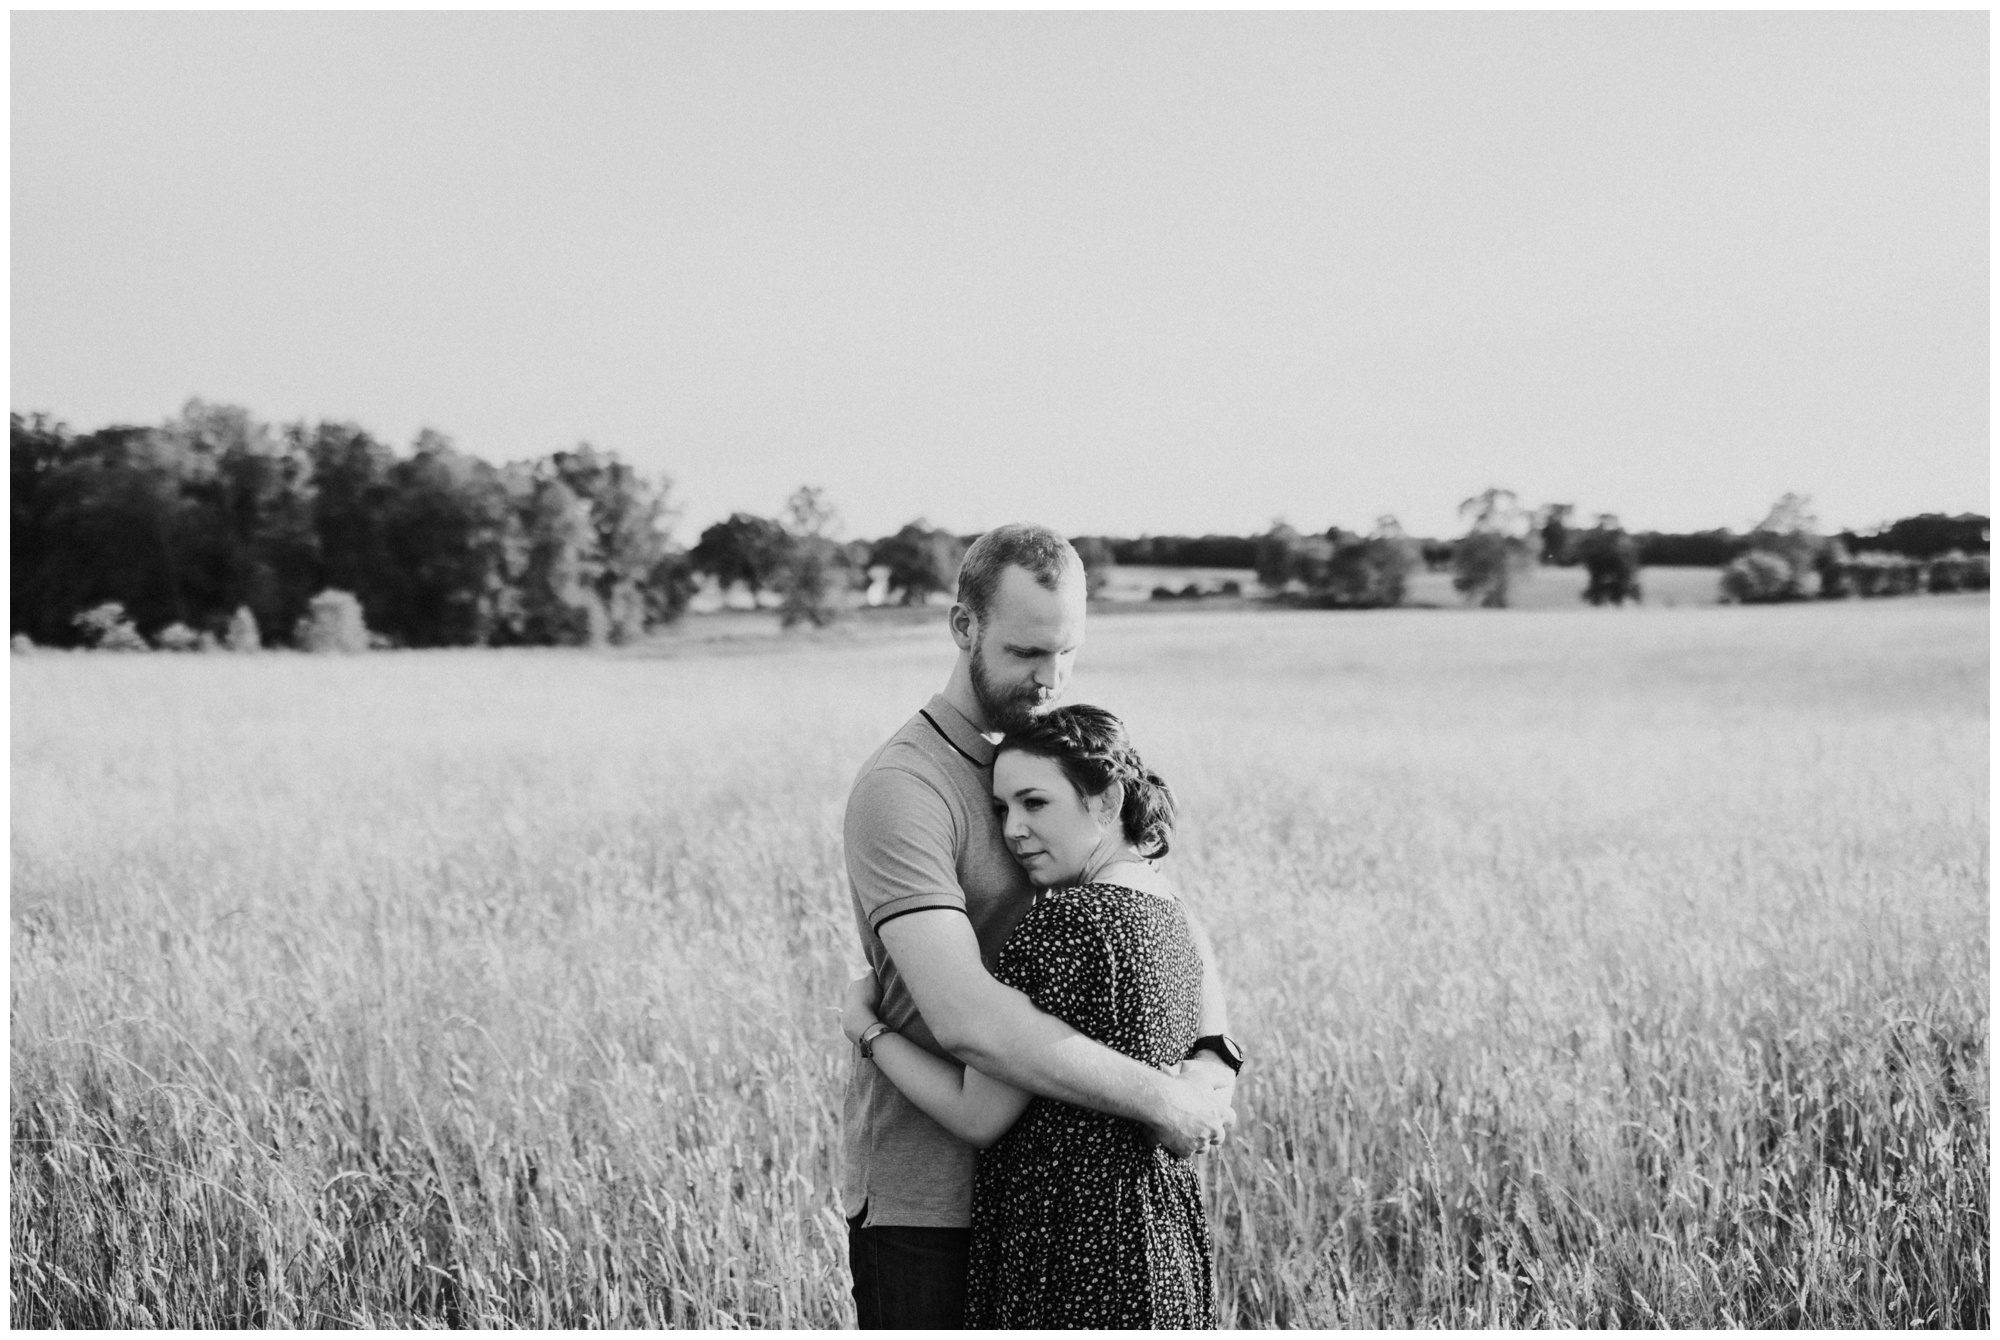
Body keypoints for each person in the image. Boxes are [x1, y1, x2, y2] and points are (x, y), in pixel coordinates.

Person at [839, 523, 1240, 1328]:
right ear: (964, 627)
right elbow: (967, 1020)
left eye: (1067, 652)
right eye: (1026, 653)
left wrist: (1213, 1058)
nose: (1050, 679)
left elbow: (1160, 906)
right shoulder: (905, 787)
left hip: (1060, 1202)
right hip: (936, 1203)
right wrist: (1162, 1101)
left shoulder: (1044, 758)